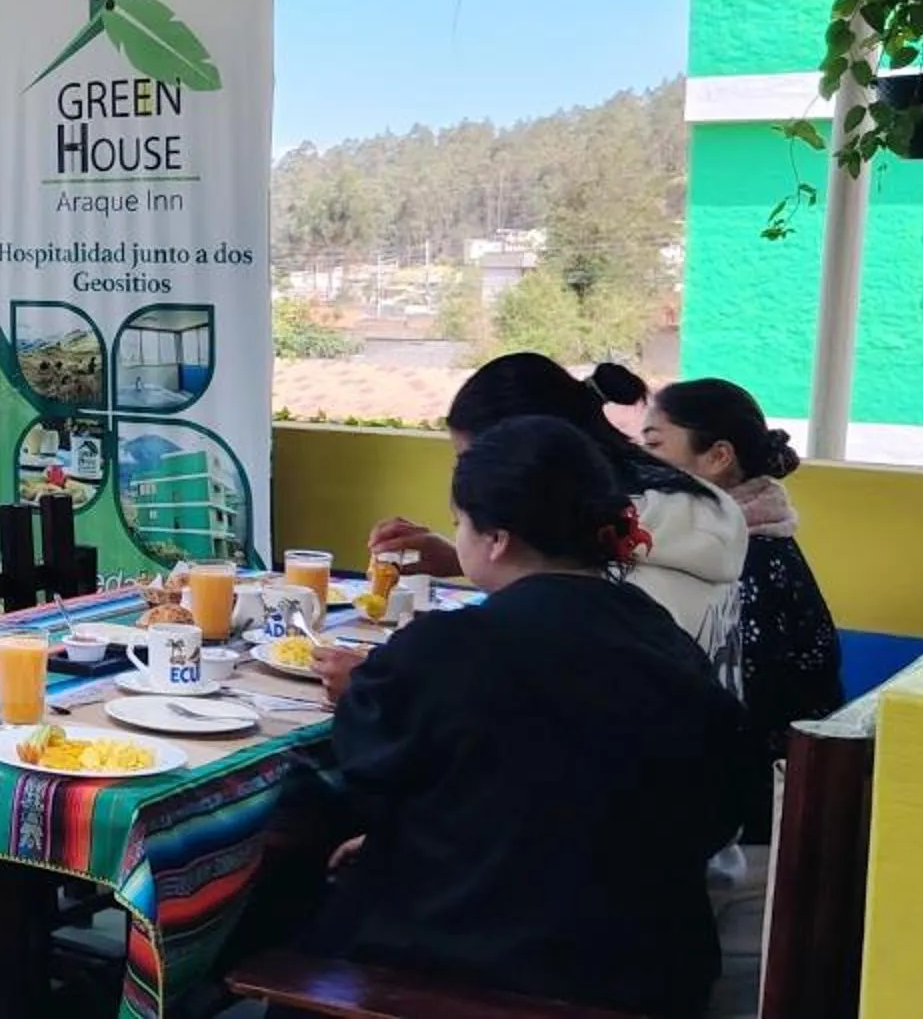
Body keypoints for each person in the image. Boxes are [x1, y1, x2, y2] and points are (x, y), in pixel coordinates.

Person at [305, 415, 755, 1018]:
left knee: (299, 899)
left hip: (486, 965)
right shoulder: (665, 640)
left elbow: (369, 771)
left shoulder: (450, 649)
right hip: (652, 969)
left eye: (461, 522)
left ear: (496, 540)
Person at [373, 354, 747, 683]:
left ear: (531, 454)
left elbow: (538, 684)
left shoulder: (612, 575)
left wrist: (389, 684)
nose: (468, 485)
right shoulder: (671, 509)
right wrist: (463, 557)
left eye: (473, 461)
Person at [639, 377, 846, 841]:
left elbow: (728, 706)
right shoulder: (736, 549)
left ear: (716, 457)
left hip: (753, 824)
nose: (640, 465)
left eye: (653, 445)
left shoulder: (745, 565)